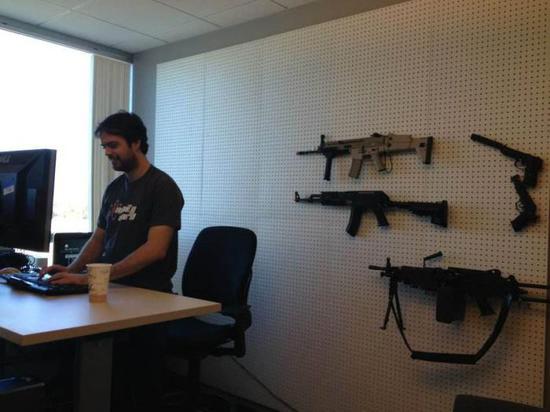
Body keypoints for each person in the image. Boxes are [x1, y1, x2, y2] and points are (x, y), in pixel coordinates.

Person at [40, 111, 184, 412]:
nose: (107, 152)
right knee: (86, 362)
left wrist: (91, 278)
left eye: (113, 145)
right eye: (104, 146)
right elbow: (98, 239)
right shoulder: (115, 189)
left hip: (149, 297)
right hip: (114, 291)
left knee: (137, 388)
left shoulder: (162, 187)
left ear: (136, 143)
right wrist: (71, 271)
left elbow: (156, 249)